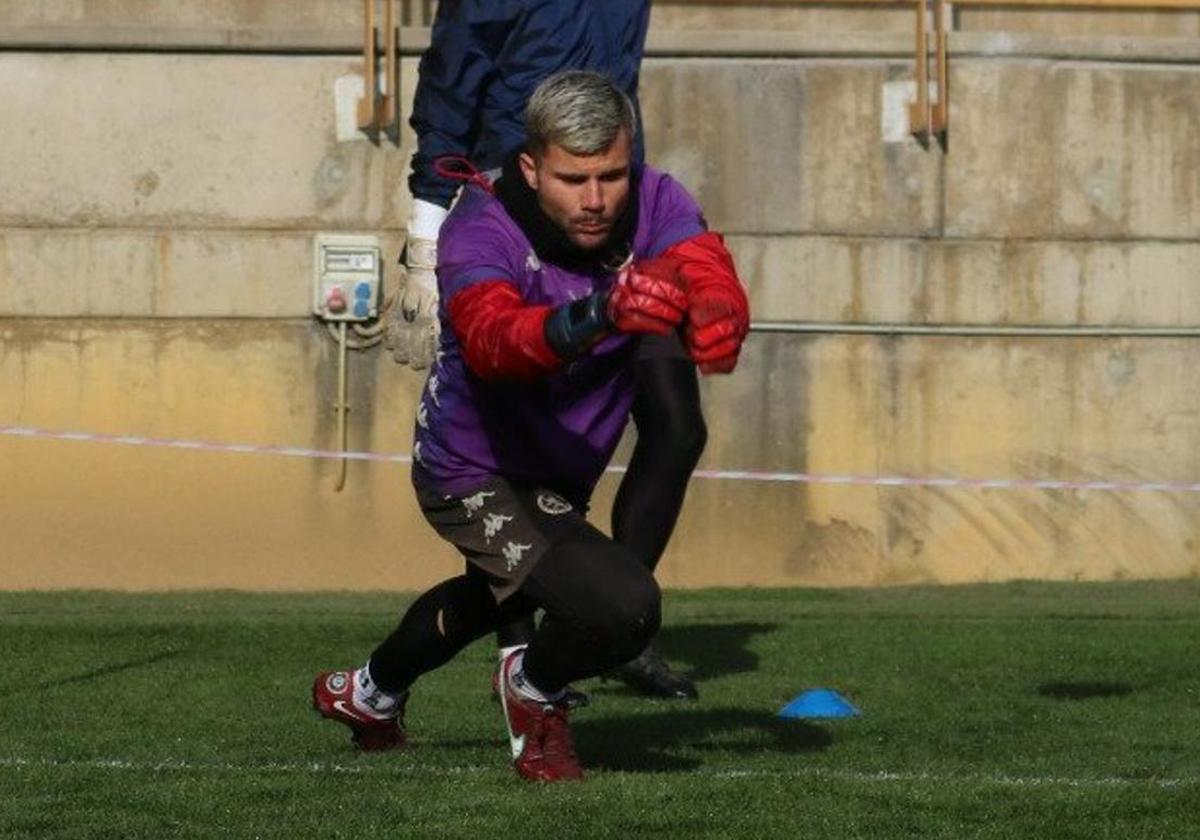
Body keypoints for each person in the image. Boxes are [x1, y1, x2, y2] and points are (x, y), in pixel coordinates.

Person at [315, 71, 748, 782]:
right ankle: (532, 687)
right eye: (574, 179)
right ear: (530, 166)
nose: (597, 199)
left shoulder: (657, 198)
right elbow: (494, 341)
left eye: (611, 174)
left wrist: (722, 308)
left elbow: (704, 263)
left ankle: (368, 693)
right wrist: (598, 313)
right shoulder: (480, 226)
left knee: (492, 599)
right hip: (471, 471)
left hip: (554, 473)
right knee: (623, 609)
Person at [387, 0, 708, 701]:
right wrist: (425, 230)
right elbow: (453, 74)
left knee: (678, 426)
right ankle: (528, 647)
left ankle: (621, 623)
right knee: (521, 448)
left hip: (614, 226)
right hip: (522, 220)